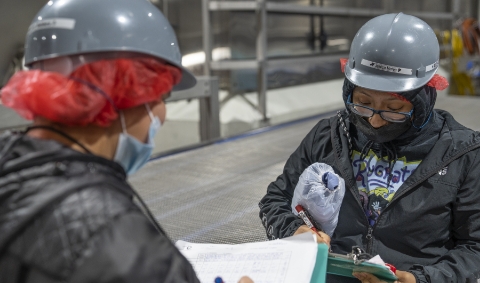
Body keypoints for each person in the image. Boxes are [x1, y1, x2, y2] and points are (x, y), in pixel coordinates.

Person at [0, 1, 253, 283]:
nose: (162, 115)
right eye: (161, 96)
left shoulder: (10, 165)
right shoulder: (122, 245)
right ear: (121, 90)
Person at [259, 12, 480, 283]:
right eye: (362, 102)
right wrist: (295, 232)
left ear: (425, 96)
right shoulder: (330, 135)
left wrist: (421, 279)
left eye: (394, 109)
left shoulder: (463, 154)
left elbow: (475, 247)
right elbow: (275, 200)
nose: (375, 120)